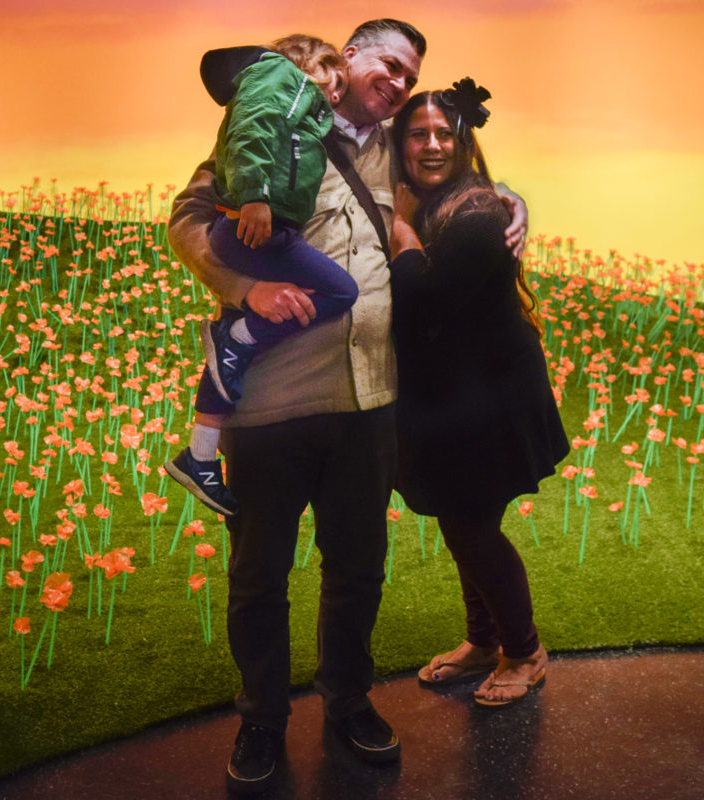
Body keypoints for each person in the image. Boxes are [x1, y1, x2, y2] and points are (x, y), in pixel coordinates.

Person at [168, 19, 528, 794]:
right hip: (271, 407)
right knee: (260, 575)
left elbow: (455, 167)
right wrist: (246, 288)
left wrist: (509, 196)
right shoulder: (272, 121)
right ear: (351, 54)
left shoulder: (396, 145)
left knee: (358, 570)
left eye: (408, 75)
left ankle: (349, 704)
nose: (397, 84)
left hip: (371, 403)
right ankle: (261, 719)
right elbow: (190, 216)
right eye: (388, 65)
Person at [387, 82, 569, 706]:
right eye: (419, 133)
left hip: (489, 402)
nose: (433, 144)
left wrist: (404, 236)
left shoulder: (477, 215)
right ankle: (483, 640)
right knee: (459, 518)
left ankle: (524, 651)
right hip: (450, 398)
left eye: (445, 133)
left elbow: (425, 306)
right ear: (400, 142)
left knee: (471, 526)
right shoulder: (434, 199)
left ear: (464, 142)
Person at [165, 35, 359, 518]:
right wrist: (254, 197)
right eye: (334, 82)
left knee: (230, 360)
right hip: (256, 228)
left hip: (257, 230)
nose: (334, 97)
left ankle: (201, 455)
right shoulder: (281, 77)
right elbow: (254, 128)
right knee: (341, 290)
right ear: (310, 63)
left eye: (339, 93)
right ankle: (241, 333)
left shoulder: (303, 111)